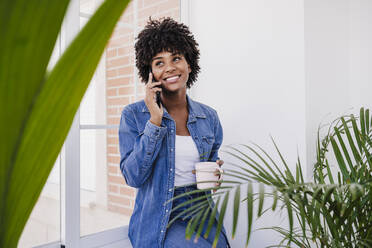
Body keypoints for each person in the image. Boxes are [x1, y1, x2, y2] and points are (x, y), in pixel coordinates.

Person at [119, 17, 230, 248]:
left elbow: (208, 168)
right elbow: (133, 177)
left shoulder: (209, 117)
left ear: (189, 64)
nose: (169, 67)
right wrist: (154, 121)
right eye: (159, 62)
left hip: (201, 209)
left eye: (176, 58)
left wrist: (215, 173)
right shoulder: (134, 115)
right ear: (149, 73)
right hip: (160, 215)